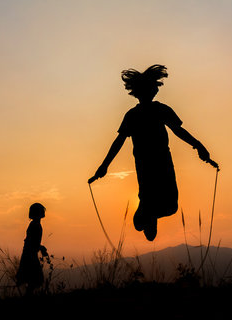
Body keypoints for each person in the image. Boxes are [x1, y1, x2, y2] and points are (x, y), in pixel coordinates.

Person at [89, 64, 217, 241]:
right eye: (154, 86)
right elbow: (120, 141)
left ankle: (148, 214)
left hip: (152, 163)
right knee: (169, 206)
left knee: (169, 206)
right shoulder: (147, 112)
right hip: (155, 163)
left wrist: (199, 146)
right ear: (148, 90)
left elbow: (178, 130)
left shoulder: (144, 113)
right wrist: (199, 146)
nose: (156, 88)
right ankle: (147, 214)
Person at [16, 202, 48, 295]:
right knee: (36, 279)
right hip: (30, 255)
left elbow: (31, 241)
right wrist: (40, 248)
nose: (44, 211)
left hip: (29, 254)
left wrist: (40, 247)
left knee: (32, 279)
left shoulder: (34, 224)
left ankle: (28, 295)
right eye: (42, 210)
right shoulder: (36, 225)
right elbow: (32, 242)